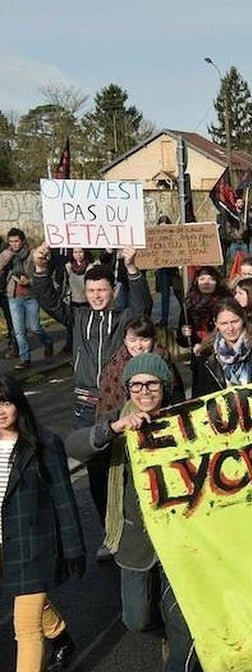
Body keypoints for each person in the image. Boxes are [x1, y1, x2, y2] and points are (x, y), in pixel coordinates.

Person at [66, 354, 199, 672]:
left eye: (152, 384)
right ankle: (170, 637)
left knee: (179, 614)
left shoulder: (186, 417)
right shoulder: (117, 419)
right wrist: (113, 429)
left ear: (164, 387)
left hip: (179, 536)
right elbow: (75, 446)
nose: (144, 391)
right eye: (136, 385)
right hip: (135, 537)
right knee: (136, 617)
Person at [30, 244, 151, 560]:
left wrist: (133, 267)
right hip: (86, 408)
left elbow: (143, 307)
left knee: (130, 468)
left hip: (120, 403)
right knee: (97, 472)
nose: (97, 295)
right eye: (92, 290)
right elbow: (48, 300)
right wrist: (41, 269)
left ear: (113, 290)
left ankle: (141, 528)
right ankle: (109, 533)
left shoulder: (124, 318)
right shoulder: (78, 316)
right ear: (85, 291)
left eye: (103, 289)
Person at [0, 375, 86, 672]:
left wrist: (73, 548)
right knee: (28, 604)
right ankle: (62, 637)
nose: (0, 412)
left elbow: (65, 502)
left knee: (24, 624)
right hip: (3, 544)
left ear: (18, 403)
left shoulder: (44, 443)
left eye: (5, 402)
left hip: (34, 542)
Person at [95, 316, 185, 416]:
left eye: (144, 340)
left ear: (153, 339)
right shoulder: (115, 366)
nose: (138, 346)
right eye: (132, 340)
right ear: (125, 341)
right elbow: (106, 402)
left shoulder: (162, 363)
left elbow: (177, 396)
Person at [0, 229, 53, 369]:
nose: (14, 244)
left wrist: (28, 281)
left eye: (16, 241)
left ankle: (47, 341)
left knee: (34, 327)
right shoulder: (7, 254)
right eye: (11, 242)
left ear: (22, 240)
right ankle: (25, 358)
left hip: (31, 295)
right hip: (13, 296)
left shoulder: (31, 253)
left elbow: (41, 273)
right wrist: (6, 257)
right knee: (19, 330)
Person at [191, 299, 252, 397]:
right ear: (216, 323)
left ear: (242, 319)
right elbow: (199, 398)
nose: (230, 328)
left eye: (234, 322)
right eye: (224, 324)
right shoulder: (205, 356)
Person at [178, 267, 228, 349]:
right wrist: (184, 335)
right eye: (202, 279)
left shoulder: (225, 304)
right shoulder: (189, 305)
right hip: (198, 354)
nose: (206, 283)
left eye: (211, 279)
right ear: (196, 282)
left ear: (217, 282)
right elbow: (183, 342)